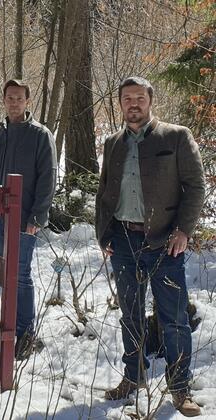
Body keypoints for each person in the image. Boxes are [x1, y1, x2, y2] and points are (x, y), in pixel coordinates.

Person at [96, 76, 204, 417]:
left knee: (173, 319)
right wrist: (104, 235)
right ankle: (134, 376)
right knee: (130, 314)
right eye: (127, 98)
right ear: (120, 103)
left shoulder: (175, 136)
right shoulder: (113, 143)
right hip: (124, 241)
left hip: (164, 242)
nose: (133, 104)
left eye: (139, 97)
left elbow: (195, 186)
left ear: (150, 100)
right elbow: (103, 194)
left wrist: (183, 230)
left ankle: (180, 388)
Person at [0, 79, 57, 359]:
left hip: (25, 218)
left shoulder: (40, 134)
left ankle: (25, 335)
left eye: (19, 98)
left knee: (20, 275)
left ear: (28, 101)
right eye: (10, 98)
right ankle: (10, 329)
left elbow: (48, 176)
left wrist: (38, 215)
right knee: (7, 275)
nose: (14, 102)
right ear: (3, 100)